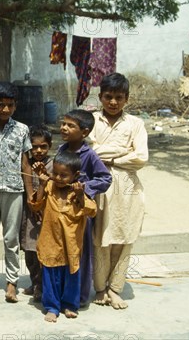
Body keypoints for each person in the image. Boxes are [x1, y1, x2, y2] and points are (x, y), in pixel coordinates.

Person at [88, 73, 148, 309]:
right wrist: (123, 151)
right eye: (108, 97)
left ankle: (115, 289)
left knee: (124, 238)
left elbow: (141, 157)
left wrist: (107, 156)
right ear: (101, 96)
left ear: (127, 99)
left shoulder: (136, 124)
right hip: (99, 188)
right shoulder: (90, 121)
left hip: (128, 189)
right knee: (100, 238)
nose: (113, 102)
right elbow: (89, 152)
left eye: (119, 98)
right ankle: (100, 287)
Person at [31, 151, 97, 322]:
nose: (58, 178)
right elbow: (36, 206)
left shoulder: (79, 191)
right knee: (50, 275)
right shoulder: (49, 186)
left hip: (71, 244)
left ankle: (69, 304)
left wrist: (81, 195)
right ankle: (52, 307)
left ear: (75, 176)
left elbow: (92, 210)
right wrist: (40, 184)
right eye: (55, 174)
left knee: (71, 275)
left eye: (64, 175)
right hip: (50, 241)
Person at [57, 109, 112, 305]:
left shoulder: (89, 155)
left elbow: (106, 178)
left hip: (81, 213)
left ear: (85, 132)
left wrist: (84, 188)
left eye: (70, 125)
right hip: (62, 211)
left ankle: (79, 296)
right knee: (62, 251)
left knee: (80, 252)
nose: (64, 127)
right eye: (63, 123)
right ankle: (62, 292)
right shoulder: (61, 150)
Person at [0, 81, 34, 303]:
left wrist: (31, 191)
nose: (5, 109)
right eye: (0, 105)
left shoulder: (22, 129)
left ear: (15, 106)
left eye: (10, 105)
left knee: (11, 238)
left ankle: (11, 282)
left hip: (15, 190)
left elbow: (26, 163)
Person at [21, 124, 54, 302]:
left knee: (41, 251)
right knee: (29, 250)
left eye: (43, 147)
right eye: (34, 147)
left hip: (45, 215)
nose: (39, 150)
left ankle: (42, 285)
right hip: (29, 215)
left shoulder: (53, 165)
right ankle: (34, 281)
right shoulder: (27, 164)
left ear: (49, 146)